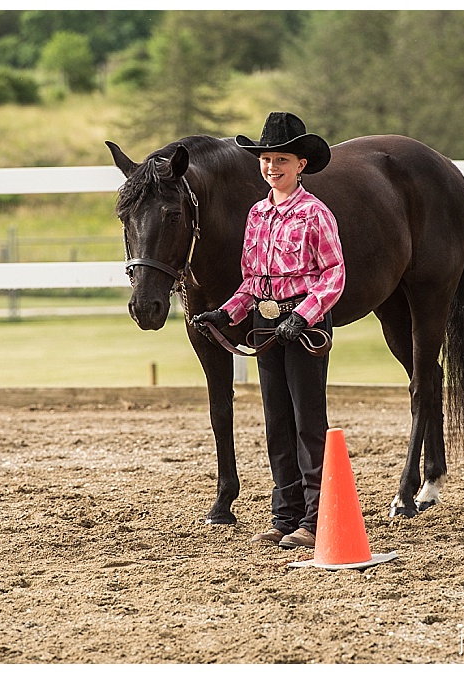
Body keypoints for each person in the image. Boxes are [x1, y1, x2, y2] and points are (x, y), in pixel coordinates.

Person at [193, 112, 345, 550]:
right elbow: (250, 280)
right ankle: (285, 515)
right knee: (276, 420)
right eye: (266, 159)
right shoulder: (257, 214)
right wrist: (226, 314)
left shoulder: (316, 213)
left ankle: (315, 519)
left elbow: (334, 273)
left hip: (303, 320)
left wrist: (306, 314)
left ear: (301, 164)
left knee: (307, 420)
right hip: (264, 320)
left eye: (281, 159)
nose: (272, 166)